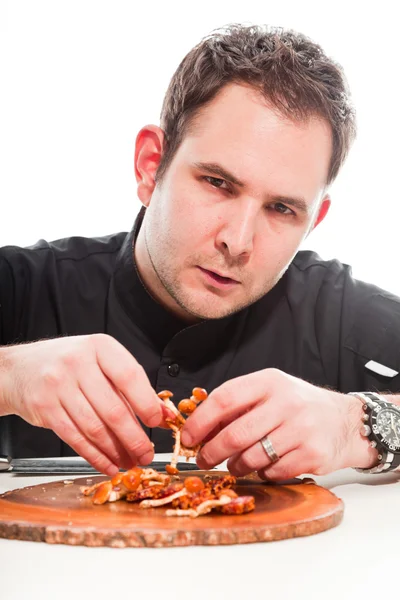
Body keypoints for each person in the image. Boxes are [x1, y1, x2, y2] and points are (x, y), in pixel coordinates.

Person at [1, 24, 400, 482]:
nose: (239, 240)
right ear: (151, 166)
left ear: (314, 220)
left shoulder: (339, 312)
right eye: (217, 183)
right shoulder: (24, 285)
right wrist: (9, 377)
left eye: (282, 208)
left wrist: (357, 425)